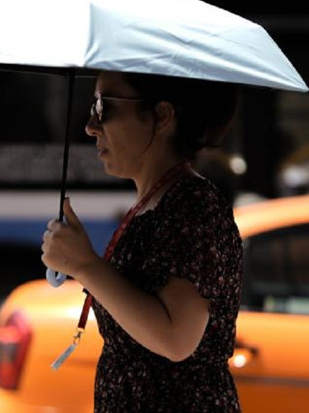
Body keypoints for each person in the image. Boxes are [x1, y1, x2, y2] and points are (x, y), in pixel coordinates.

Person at [41, 70, 244, 412]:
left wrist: (85, 265)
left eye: (104, 107)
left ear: (162, 116)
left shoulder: (191, 206)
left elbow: (176, 339)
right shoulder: (155, 202)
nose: (91, 125)